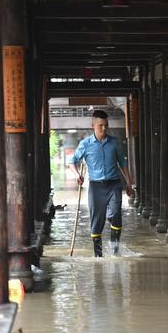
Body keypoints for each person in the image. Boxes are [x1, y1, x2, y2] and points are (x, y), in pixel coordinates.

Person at [68, 110, 133, 257]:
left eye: (106, 125)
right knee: (96, 222)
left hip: (114, 184)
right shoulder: (85, 144)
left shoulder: (114, 142)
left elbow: (122, 163)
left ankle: (115, 252)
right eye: (101, 125)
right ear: (93, 126)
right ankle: (98, 257)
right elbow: (72, 161)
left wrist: (129, 183)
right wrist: (77, 174)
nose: (104, 128)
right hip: (96, 187)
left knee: (115, 214)